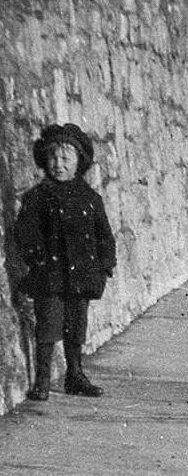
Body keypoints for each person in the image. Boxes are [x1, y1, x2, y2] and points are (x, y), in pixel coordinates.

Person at [15, 123, 116, 400]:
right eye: (53, 159)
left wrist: (105, 264)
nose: (58, 165)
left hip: (81, 275)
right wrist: (36, 257)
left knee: (75, 326)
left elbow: (104, 235)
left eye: (65, 159)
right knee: (48, 327)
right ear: (45, 162)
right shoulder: (37, 197)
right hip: (50, 275)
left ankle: (75, 375)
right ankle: (43, 380)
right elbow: (25, 231)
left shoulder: (90, 199)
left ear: (78, 163)